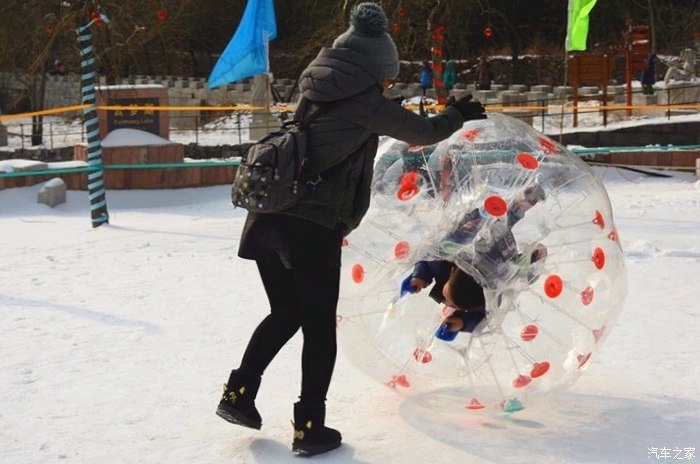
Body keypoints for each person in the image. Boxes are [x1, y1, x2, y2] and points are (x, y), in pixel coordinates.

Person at [216, 2, 487, 457]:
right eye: (387, 76)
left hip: (267, 217)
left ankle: (238, 395)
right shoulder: (365, 104)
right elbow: (422, 132)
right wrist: (457, 114)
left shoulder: (315, 88)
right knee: (319, 328)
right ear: (375, 70)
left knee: (285, 312)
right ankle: (310, 427)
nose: (387, 84)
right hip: (311, 225)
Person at [403, 184, 546, 339]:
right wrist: (420, 276)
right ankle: (515, 210)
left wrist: (461, 322)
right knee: (512, 269)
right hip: (480, 234)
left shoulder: (486, 298)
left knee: (511, 271)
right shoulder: (442, 263)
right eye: (454, 303)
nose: (449, 303)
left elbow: (483, 319)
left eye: (452, 302)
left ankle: (516, 214)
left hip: (496, 253)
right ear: (452, 271)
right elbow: (427, 258)